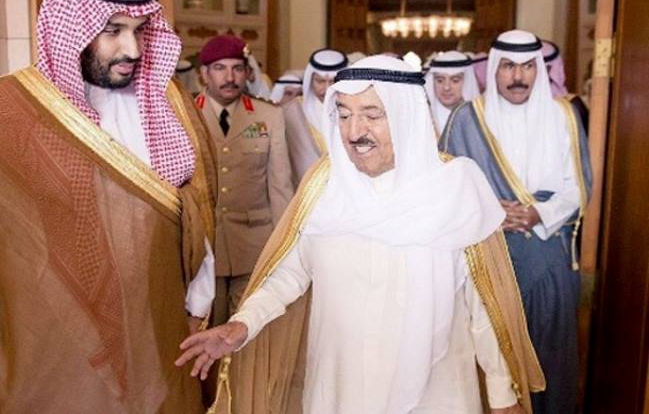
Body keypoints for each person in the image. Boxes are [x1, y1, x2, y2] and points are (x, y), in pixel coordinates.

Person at [177, 55, 545, 414]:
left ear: (406, 117)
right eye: (344, 115)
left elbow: (484, 305)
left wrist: (502, 393)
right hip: (340, 387)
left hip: (438, 391)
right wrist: (243, 322)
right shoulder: (325, 185)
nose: (354, 132)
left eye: (372, 115)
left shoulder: (454, 187)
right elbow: (290, 273)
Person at [0, 0, 217, 413]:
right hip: (49, 348)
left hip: (158, 338)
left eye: (139, 30)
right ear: (72, 28)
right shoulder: (1, 111)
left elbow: (198, 221)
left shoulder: (170, 105)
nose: (132, 49)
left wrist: (199, 311)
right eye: (113, 31)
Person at [440, 30, 592, 414]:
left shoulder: (563, 117)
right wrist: (490, 210)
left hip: (548, 252)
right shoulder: (467, 119)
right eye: (508, 66)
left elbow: (579, 186)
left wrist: (540, 213)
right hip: (486, 254)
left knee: (549, 349)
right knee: (490, 350)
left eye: (527, 66)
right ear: (494, 69)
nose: (518, 76)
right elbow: (447, 188)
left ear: (539, 70)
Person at [196, 34, 294, 326]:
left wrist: (284, 246)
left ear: (247, 72)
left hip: (254, 244)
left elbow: (280, 186)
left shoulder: (269, 116)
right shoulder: (184, 114)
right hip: (203, 247)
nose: (229, 77)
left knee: (248, 329)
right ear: (204, 74)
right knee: (205, 328)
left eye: (237, 68)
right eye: (220, 68)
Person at [283, 48, 348, 184]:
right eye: (320, 81)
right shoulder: (292, 111)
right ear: (310, 80)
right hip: (305, 188)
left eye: (333, 82)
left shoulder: (355, 111)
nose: (327, 89)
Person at [424, 50, 480, 135]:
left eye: (455, 81)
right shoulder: (424, 119)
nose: (446, 87)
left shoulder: (480, 118)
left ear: (467, 82)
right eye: (440, 80)